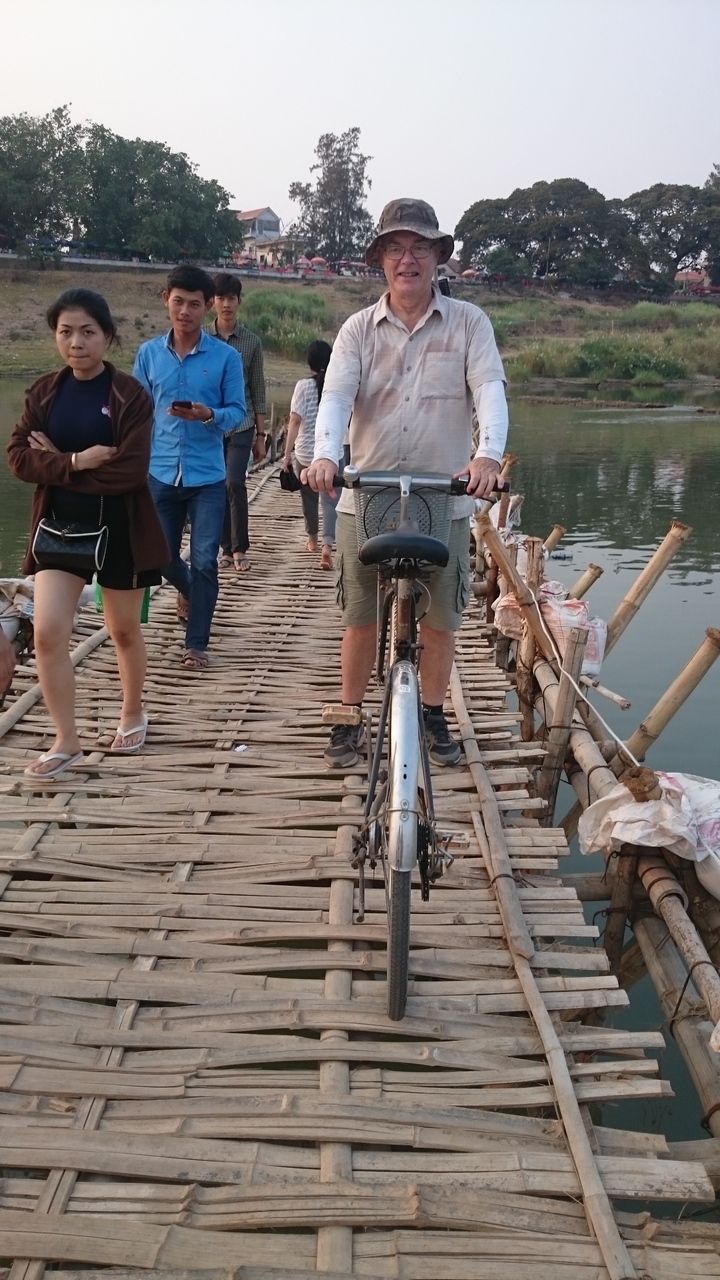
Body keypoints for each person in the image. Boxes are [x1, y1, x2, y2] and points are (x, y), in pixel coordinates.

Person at [305, 198, 509, 769]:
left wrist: (487, 456)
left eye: (420, 246)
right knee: (359, 615)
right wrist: (325, 456)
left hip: (443, 496)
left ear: (439, 256)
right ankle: (349, 714)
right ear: (380, 260)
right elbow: (337, 398)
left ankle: (433, 712)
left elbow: (489, 388)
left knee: (442, 616)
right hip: (366, 492)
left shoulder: (469, 322)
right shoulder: (356, 330)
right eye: (395, 247)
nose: (408, 258)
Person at [7, 288, 170, 778]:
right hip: (58, 528)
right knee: (50, 631)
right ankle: (66, 741)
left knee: (122, 629)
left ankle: (132, 711)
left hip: (120, 526)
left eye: (87, 332)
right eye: (65, 332)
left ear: (107, 336)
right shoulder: (44, 391)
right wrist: (75, 459)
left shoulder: (128, 396)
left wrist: (53, 462)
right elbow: (18, 457)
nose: (76, 342)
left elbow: (130, 471)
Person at [133, 266, 246, 668]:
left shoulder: (226, 358)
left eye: (194, 304)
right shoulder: (147, 354)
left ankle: (196, 643)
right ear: (166, 299)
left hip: (207, 478)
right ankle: (191, 593)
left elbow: (238, 413)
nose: (185, 311)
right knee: (160, 558)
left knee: (204, 560)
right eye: (178, 302)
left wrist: (206, 414)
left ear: (209, 306)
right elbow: (137, 414)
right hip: (159, 473)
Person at [206, 273, 267, 574]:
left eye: (231, 298)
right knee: (217, 486)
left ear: (239, 301)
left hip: (242, 423)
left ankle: (240, 546)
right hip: (210, 425)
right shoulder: (202, 340)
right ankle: (225, 547)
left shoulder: (251, 342)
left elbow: (258, 388)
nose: (226, 304)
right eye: (221, 298)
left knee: (235, 482)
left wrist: (261, 434)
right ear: (212, 302)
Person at [282, 340, 339, 570]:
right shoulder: (335, 385)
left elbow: (295, 421)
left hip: (305, 454)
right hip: (331, 454)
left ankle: (312, 540)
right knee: (330, 502)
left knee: (308, 500)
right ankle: (327, 547)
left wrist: (286, 455)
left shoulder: (302, 386)